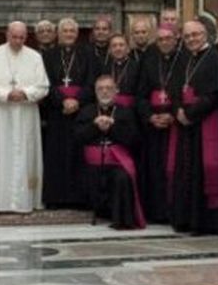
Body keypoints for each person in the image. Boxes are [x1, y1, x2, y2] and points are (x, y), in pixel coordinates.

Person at [0, 21, 50, 213]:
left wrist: (25, 93)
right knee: (0, 154)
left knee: (25, 155)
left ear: (26, 37)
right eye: (14, 37)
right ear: (7, 34)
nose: (17, 41)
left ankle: (25, 201)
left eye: (21, 37)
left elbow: (43, 87)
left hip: (26, 113)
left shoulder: (35, 57)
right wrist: (6, 94)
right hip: (0, 114)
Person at [169, 20, 218, 234]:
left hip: (203, 124)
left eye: (196, 35)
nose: (192, 39)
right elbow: (175, 89)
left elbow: (214, 94)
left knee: (201, 172)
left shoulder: (215, 58)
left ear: (205, 35)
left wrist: (190, 114)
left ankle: (200, 222)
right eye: (188, 36)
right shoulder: (184, 58)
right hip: (184, 125)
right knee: (184, 171)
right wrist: (178, 111)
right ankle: (183, 218)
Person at [77, 74, 145, 229]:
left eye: (109, 88)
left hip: (117, 162)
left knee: (121, 177)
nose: (105, 92)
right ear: (95, 92)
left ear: (116, 91)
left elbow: (134, 139)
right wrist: (94, 126)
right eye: (100, 89)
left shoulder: (126, 112)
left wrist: (113, 128)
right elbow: (78, 137)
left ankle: (122, 220)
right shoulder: (87, 111)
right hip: (92, 164)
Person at [43, 17, 92, 208]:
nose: (69, 34)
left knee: (78, 155)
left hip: (80, 113)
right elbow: (44, 83)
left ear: (77, 34)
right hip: (57, 112)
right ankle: (55, 198)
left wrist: (77, 101)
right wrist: (62, 100)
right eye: (65, 31)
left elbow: (91, 83)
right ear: (58, 34)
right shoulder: (48, 56)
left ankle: (78, 198)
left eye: (72, 31)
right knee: (56, 155)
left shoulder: (87, 54)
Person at [138, 26, 182, 223]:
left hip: (176, 125)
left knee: (175, 168)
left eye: (168, 38)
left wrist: (172, 115)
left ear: (176, 39)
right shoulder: (149, 61)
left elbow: (188, 94)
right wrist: (150, 116)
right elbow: (140, 95)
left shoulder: (184, 60)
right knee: (154, 168)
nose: (165, 42)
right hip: (153, 125)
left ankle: (173, 210)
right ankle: (155, 211)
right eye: (161, 39)